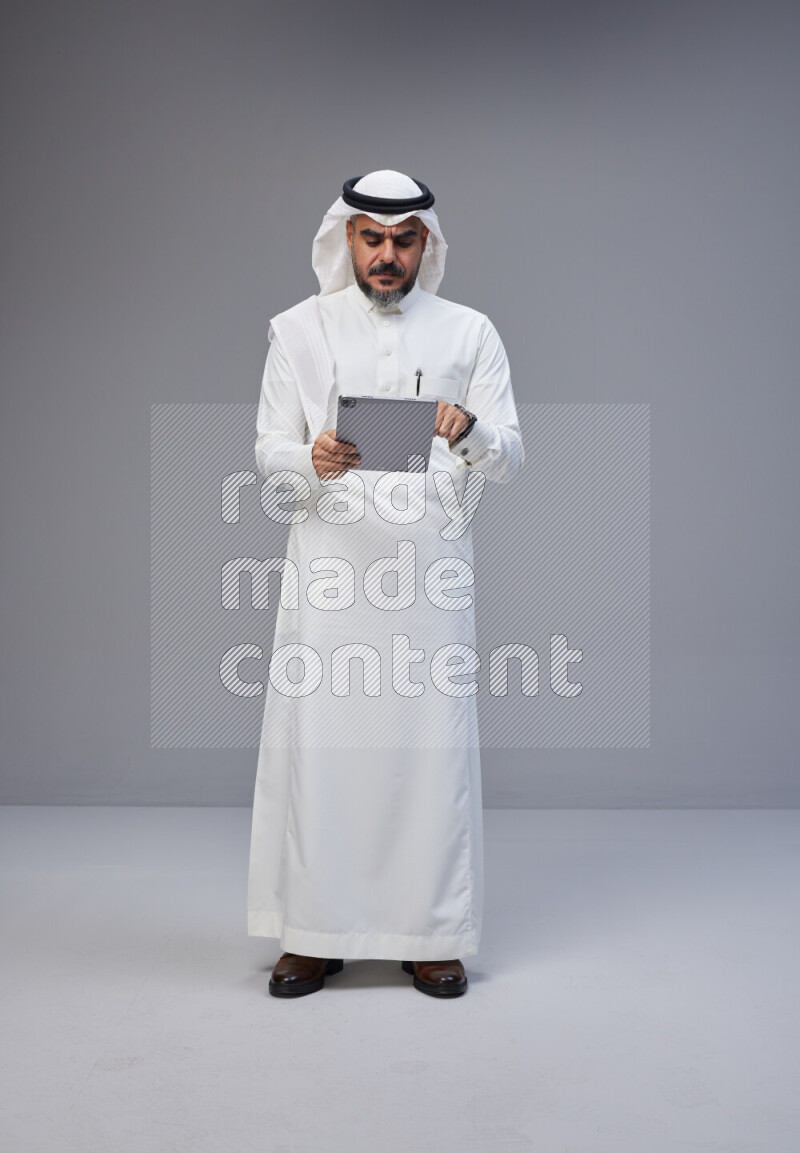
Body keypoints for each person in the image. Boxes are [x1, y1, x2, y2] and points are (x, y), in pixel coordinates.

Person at [247, 170, 524, 998]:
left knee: (427, 751)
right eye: (372, 237)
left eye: (405, 240)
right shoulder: (296, 332)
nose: (387, 255)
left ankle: (430, 931)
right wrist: (312, 456)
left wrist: (469, 428)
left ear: (427, 245)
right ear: (347, 239)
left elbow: (510, 454)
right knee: (322, 750)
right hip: (330, 578)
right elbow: (268, 453)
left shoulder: (471, 333)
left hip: (429, 582)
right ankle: (313, 933)